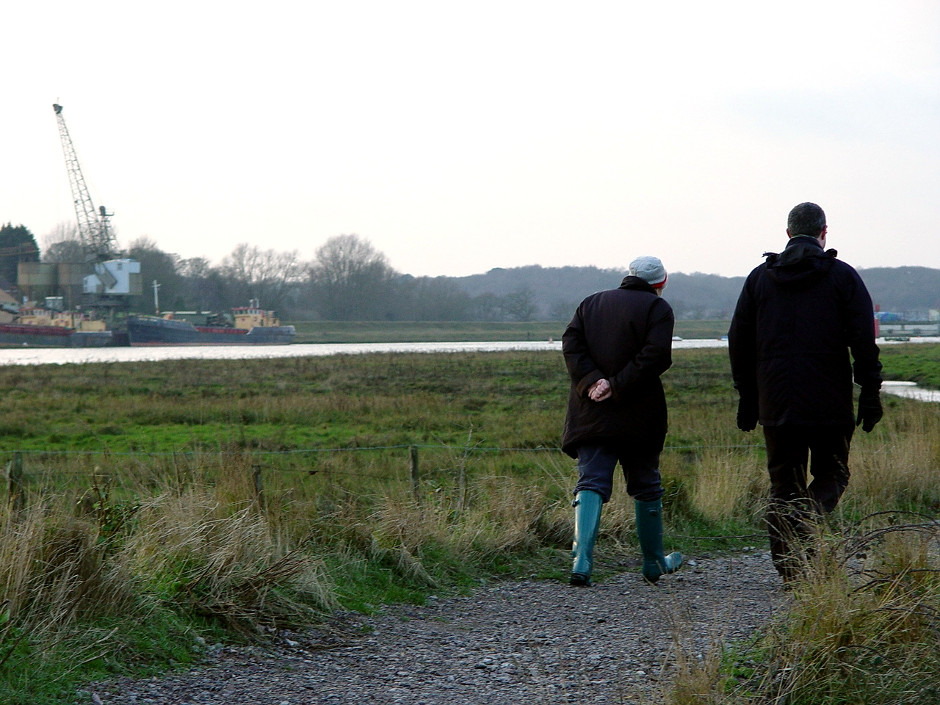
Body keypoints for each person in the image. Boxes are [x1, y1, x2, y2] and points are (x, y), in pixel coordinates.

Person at [728, 202, 883, 583]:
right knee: (834, 472)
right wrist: (870, 391)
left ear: (787, 234)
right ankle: (808, 522)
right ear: (824, 232)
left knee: (784, 484)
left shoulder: (759, 279)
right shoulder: (842, 277)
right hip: (829, 400)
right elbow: (864, 339)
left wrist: (748, 396)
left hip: (776, 402)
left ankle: (793, 575)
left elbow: (738, 340)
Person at [562, 256, 683, 586]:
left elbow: (571, 345)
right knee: (646, 485)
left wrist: (592, 382)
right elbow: (656, 356)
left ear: (627, 276)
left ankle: (581, 560)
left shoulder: (590, 304)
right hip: (639, 415)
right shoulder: (658, 309)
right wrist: (615, 386)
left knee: (591, 481)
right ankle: (654, 562)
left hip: (591, 411)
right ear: (662, 282)